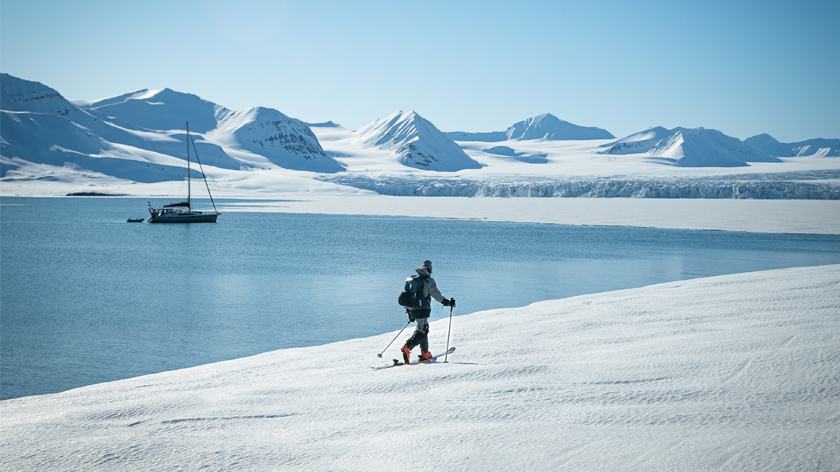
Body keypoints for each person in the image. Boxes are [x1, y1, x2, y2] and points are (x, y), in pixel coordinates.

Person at [401, 260, 455, 364]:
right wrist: (447, 302)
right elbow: (437, 296)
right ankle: (407, 347)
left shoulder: (412, 279)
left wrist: (410, 312)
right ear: (429, 270)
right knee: (421, 331)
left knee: (424, 328)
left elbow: (408, 295)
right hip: (422, 309)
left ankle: (425, 353)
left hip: (412, 308)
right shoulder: (428, 281)